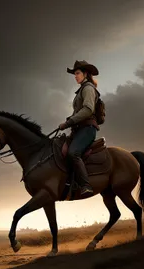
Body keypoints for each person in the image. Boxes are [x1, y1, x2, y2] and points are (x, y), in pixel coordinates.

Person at [58, 60, 100, 198]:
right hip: (79, 129)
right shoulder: (81, 90)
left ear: (85, 74)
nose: (75, 76)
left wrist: (70, 121)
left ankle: (86, 186)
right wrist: (67, 121)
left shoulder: (88, 88)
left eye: (77, 73)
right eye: (74, 74)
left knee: (73, 153)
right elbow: (78, 112)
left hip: (87, 129)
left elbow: (88, 110)